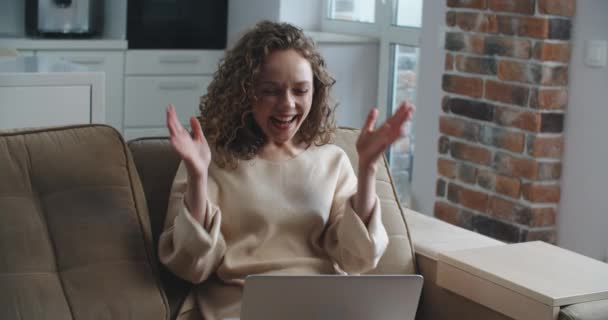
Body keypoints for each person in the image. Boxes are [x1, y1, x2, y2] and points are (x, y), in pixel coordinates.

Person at [158, 21, 415, 320]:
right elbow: (192, 267)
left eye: (300, 90)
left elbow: (359, 258)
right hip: (238, 310)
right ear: (244, 93)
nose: (287, 105)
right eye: (270, 91)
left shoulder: (332, 161)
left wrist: (368, 169)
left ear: (315, 93)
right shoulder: (209, 160)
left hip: (326, 309)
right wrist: (198, 176)